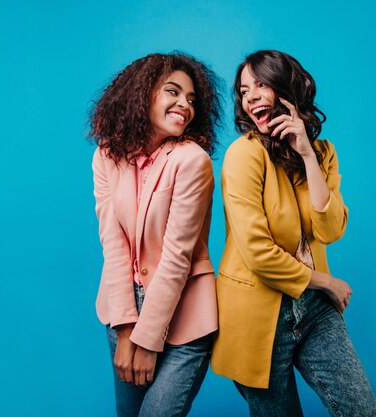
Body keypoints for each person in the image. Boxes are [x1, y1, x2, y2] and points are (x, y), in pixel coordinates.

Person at [211, 50, 376, 417]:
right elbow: (258, 253)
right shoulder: (244, 156)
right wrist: (326, 282)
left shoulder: (323, 154)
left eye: (261, 84)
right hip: (259, 315)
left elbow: (330, 229)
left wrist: (306, 156)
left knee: (362, 411)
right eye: (244, 90)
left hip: (315, 310)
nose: (251, 96)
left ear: (287, 89)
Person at [88, 52, 222, 417]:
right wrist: (127, 328)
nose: (185, 105)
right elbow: (113, 245)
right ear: (141, 93)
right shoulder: (106, 156)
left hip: (185, 313)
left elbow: (178, 256)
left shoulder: (192, 160)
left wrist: (147, 340)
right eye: (173, 92)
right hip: (123, 308)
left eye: (192, 99)